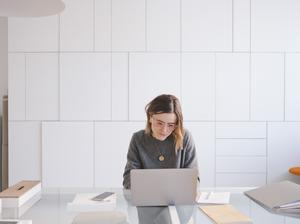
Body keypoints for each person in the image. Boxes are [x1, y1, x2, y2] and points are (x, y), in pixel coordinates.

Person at [123, 94, 198, 189]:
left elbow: (193, 179)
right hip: (146, 199)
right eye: (159, 123)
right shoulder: (138, 139)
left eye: (170, 125)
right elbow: (128, 179)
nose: (164, 130)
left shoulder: (185, 137)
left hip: (177, 201)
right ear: (150, 117)